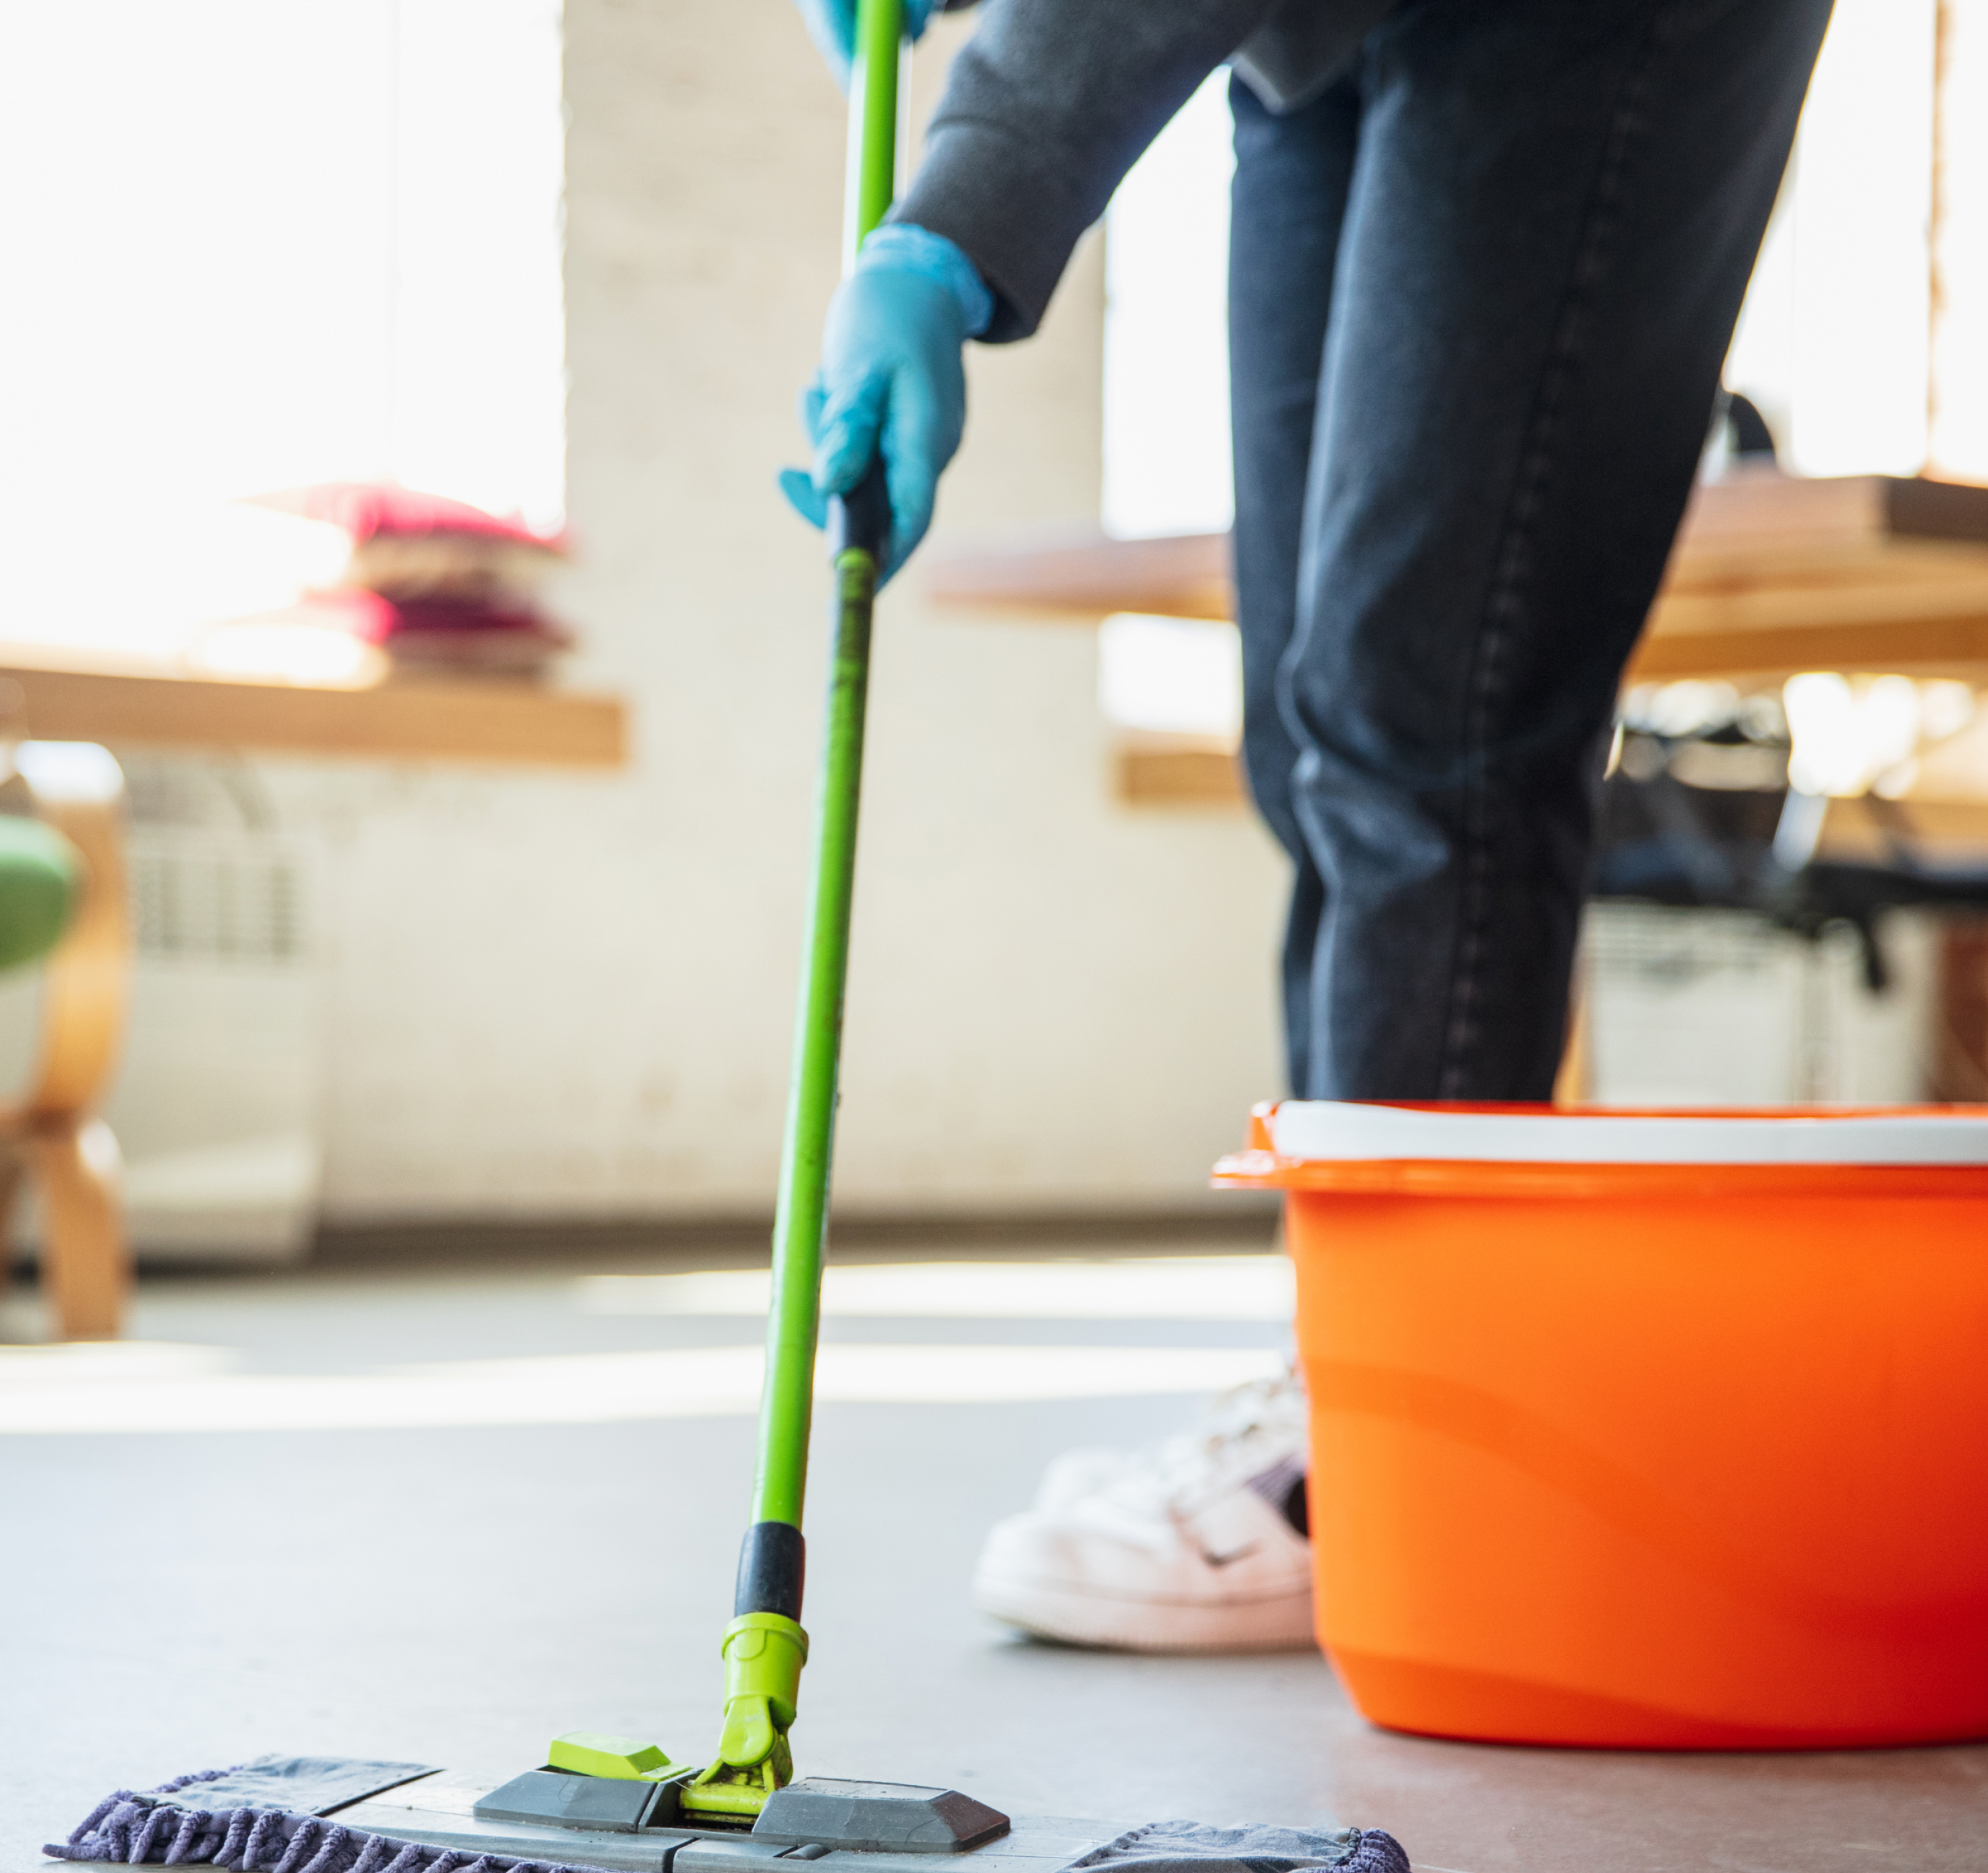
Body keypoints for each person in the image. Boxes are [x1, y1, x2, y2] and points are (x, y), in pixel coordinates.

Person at [786, 0, 1836, 1648]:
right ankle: (1343, 1362)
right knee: (1302, 711)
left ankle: (1397, 1436)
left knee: (1427, 710)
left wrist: (952, 220)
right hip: (1316, 41)